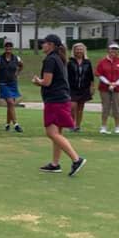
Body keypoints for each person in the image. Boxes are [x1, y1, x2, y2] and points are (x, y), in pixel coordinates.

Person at [31, 34, 86, 176]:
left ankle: (76, 159)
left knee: (51, 133)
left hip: (55, 101)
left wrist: (37, 81)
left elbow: (47, 82)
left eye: (45, 43)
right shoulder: (58, 58)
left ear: (51, 45)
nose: (43, 45)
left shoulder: (50, 59)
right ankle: (55, 164)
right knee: (57, 133)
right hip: (62, 99)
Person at [95, 43, 119, 134]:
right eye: (112, 49)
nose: (113, 51)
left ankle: (117, 127)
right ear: (108, 50)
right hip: (104, 88)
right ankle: (103, 126)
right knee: (105, 107)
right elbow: (99, 74)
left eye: (115, 49)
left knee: (116, 107)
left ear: (118, 51)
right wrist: (108, 83)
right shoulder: (102, 62)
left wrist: (115, 84)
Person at [0, 41, 23, 132]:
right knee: (10, 102)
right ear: (4, 48)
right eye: (6, 46)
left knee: (11, 104)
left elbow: (21, 65)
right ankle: (16, 124)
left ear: (12, 48)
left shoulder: (16, 58)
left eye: (10, 46)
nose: (8, 48)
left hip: (13, 83)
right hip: (3, 83)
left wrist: (17, 73)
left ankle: (7, 124)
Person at [67, 42, 94, 132]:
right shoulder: (70, 62)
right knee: (72, 107)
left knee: (80, 108)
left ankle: (78, 126)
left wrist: (92, 86)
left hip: (84, 88)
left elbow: (91, 76)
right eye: (77, 49)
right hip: (72, 88)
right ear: (74, 51)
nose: (79, 51)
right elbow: (66, 76)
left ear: (84, 51)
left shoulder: (87, 62)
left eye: (81, 49)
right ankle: (71, 124)